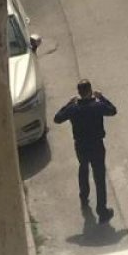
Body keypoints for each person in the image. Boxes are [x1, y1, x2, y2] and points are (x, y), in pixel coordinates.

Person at [53, 79, 118, 223]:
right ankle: (102, 211)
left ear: (79, 93)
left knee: (83, 168)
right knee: (99, 177)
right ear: (90, 91)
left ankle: (84, 196)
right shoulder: (97, 106)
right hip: (96, 145)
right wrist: (101, 97)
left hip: (81, 146)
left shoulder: (74, 109)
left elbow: (57, 118)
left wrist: (69, 103)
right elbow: (113, 110)